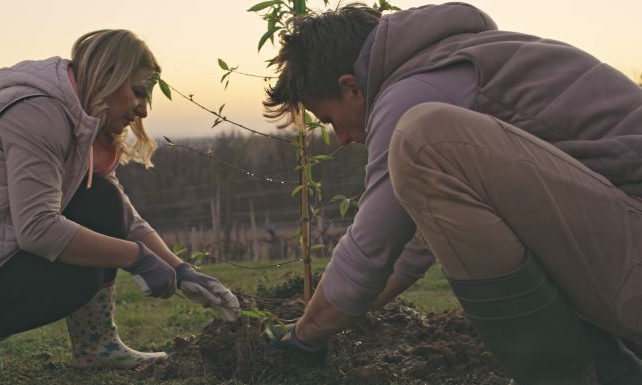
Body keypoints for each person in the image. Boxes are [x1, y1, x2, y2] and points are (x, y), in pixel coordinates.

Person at [264, 3, 642, 384]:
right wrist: (330, 317)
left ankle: (576, 376)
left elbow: (370, 248)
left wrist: (301, 339)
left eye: (329, 120)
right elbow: (410, 249)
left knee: (423, 137)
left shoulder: (415, 91)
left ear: (350, 87)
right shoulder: (454, 63)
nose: (342, 139)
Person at [0, 29, 239, 384]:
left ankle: (98, 346)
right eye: (138, 92)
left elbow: (120, 214)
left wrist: (182, 270)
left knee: (103, 201)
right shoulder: (37, 114)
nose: (144, 109)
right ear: (109, 76)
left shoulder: (76, 123)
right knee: (79, 277)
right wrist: (135, 257)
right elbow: (38, 230)